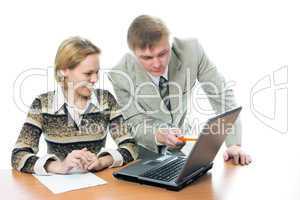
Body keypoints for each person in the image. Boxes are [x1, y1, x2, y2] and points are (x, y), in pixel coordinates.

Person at [108, 15, 251, 165]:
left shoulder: (191, 51)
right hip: (147, 153)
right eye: (147, 58)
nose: (157, 64)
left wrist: (234, 144)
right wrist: (159, 135)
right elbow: (135, 124)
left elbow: (221, 96)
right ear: (133, 53)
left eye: (162, 54)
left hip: (186, 145)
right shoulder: (120, 75)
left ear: (170, 43)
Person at [11, 36, 138, 175]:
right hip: (58, 188)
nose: (95, 79)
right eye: (88, 73)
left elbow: (131, 147)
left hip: (96, 185)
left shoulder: (105, 100)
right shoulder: (42, 104)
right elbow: (18, 156)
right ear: (64, 70)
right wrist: (59, 166)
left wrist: (102, 161)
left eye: (97, 72)